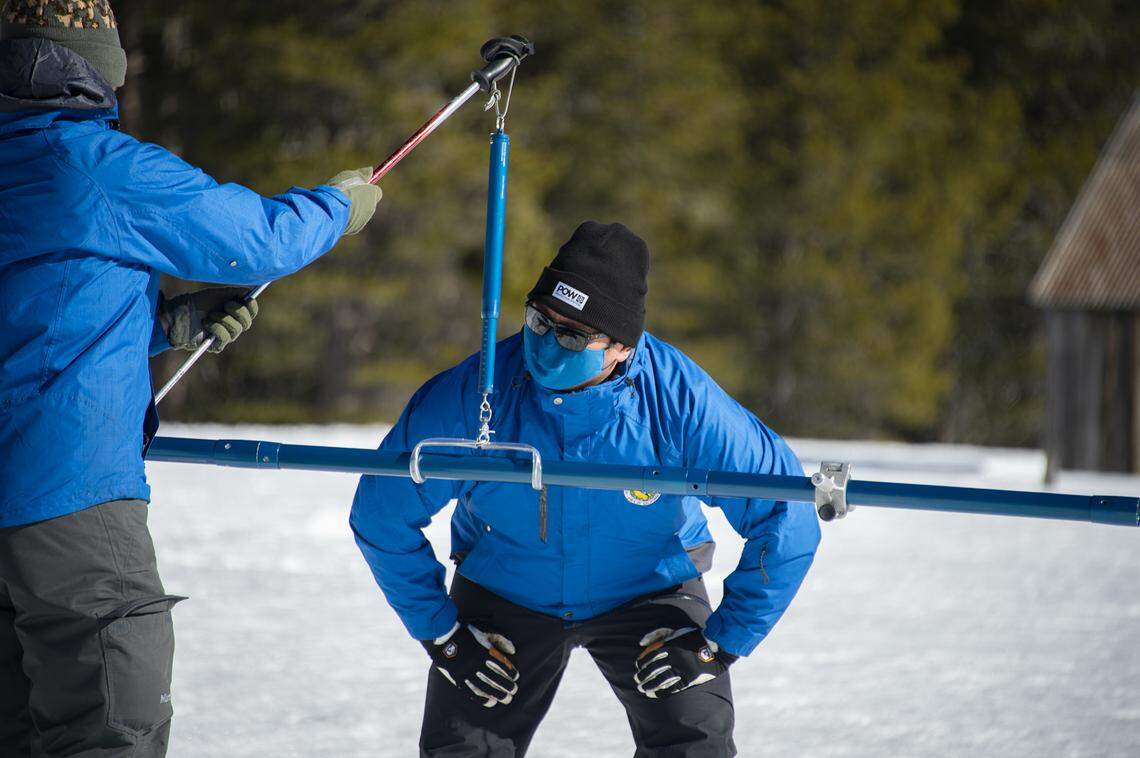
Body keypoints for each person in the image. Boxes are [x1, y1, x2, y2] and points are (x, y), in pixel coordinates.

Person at [0, 1, 383, 755]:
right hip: (67, 500)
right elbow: (257, 243)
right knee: (109, 725)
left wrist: (164, 326)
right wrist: (339, 206)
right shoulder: (94, 164)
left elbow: (33, 317)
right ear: (100, 70)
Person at [351, 221, 821, 756]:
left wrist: (719, 645)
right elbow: (381, 513)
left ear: (621, 347)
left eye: (573, 335)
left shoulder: (680, 402)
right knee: (461, 749)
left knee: (695, 743)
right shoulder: (474, 394)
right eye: (539, 320)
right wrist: (444, 637)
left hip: (649, 586)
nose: (548, 344)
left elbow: (788, 512)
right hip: (506, 585)